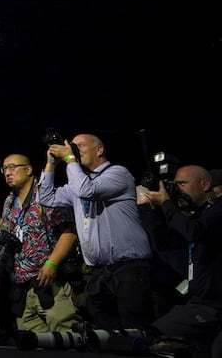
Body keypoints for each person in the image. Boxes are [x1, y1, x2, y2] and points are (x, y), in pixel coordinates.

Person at [39, 133, 154, 331]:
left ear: (99, 150)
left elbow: (87, 191)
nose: (75, 150)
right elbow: (46, 198)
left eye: (80, 146)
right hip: (100, 272)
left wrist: (69, 159)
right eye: (72, 147)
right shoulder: (80, 180)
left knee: (134, 331)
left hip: (129, 269)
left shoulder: (118, 173)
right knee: (105, 335)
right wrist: (51, 165)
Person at [140, 165, 222, 355]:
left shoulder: (218, 211)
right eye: (175, 185)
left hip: (214, 305)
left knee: (161, 333)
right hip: (199, 300)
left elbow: (193, 232)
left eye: (182, 184)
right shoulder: (199, 214)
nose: (178, 189)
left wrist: (167, 205)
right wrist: (153, 210)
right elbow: (167, 242)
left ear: (205, 185)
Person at [0, 154, 80, 335]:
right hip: (22, 288)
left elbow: (70, 232)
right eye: (4, 169)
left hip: (50, 282)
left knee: (66, 337)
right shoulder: (9, 202)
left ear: (28, 170)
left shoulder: (46, 195)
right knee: (32, 345)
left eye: (12, 167)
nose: (7, 173)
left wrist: (52, 263)